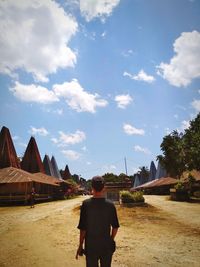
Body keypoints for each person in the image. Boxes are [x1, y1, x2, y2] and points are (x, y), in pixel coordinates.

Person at [76, 176, 120, 267]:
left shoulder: (86, 204)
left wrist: (80, 245)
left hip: (91, 246)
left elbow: (83, 229)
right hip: (106, 245)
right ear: (104, 188)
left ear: (92, 187)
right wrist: (110, 239)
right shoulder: (110, 205)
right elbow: (115, 227)